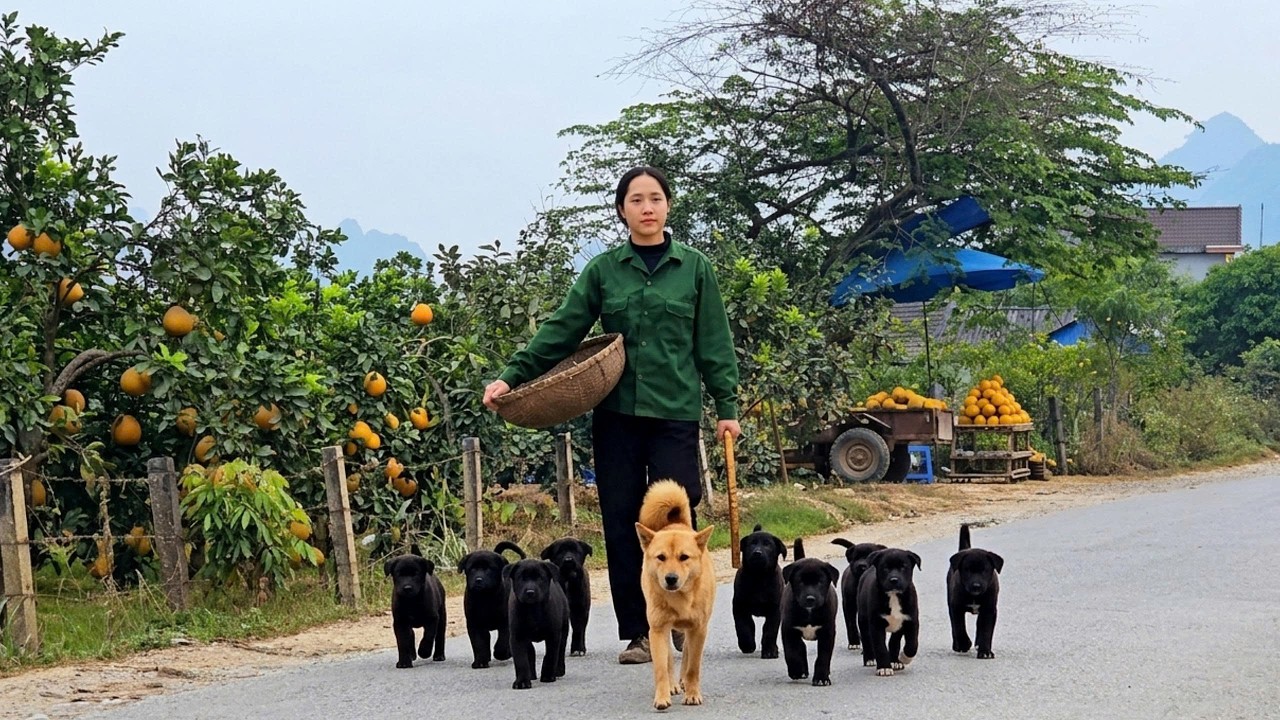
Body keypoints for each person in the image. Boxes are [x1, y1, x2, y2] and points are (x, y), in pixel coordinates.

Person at [483, 166, 741, 665]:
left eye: (656, 198)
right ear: (622, 210)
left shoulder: (695, 268)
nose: (647, 208)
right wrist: (512, 377)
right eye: (636, 200)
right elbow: (563, 328)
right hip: (617, 415)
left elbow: (714, 342)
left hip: (675, 413)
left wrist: (726, 407)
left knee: (676, 517)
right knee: (626, 524)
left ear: (668, 206)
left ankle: (683, 615)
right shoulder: (603, 271)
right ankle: (641, 631)